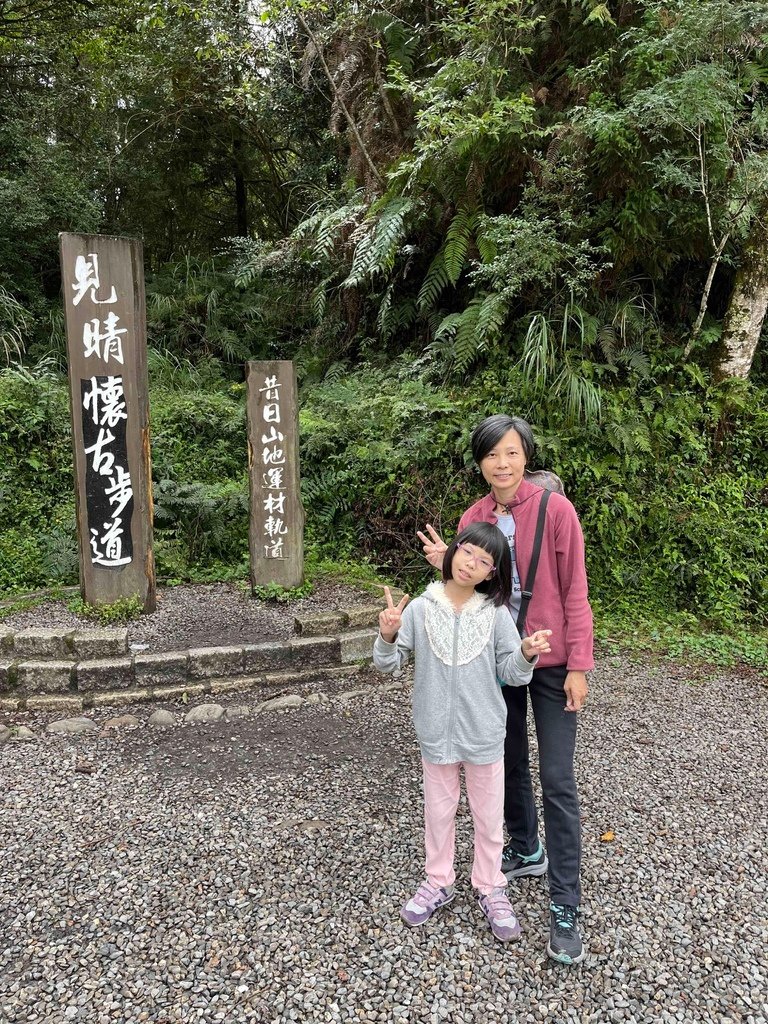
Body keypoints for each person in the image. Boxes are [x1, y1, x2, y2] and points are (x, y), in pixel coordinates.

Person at [418, 414, 593, 965]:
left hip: (551, 657)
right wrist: (448, 562)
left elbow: (574, 589)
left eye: (512, 453)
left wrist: (578, 664)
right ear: (481, 463)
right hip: (496, 658)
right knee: (508, 759)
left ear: (527, 458)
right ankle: (526, 847)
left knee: (559, 779)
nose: (503, 464)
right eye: (493, 455)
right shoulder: (475, 516)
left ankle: (565, 904)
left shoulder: (556, 511)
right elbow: (468, 582)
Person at [373, 522, 553, 943]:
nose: (472, 564)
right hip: (435, 732)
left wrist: (525, 654)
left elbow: (511, 673)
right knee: (438, 812)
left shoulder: (494, 615)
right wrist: (386, 635)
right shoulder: (419, 608)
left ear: (493, 573)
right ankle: (439, 881)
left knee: (489, 817)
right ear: (453, 552)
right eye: (468, 552)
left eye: (485, 561)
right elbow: (388, 664)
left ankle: (490, 887)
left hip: (485, 733)